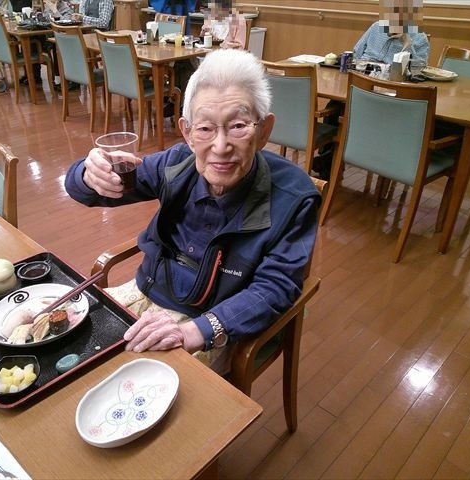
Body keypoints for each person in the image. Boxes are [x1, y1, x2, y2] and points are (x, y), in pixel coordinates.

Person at [65, 49, 321, 373]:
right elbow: (85, 191)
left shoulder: (294, 197)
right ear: (187, 132)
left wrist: (195, 331)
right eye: (205, 129)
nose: (220, 147)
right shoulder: (176, 163)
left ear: (264, 130)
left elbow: (275, 288)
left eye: (238, 125)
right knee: (69, 348)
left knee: (140, 388)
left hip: (215, 322)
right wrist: (88, 174)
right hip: (145, 291)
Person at [312, 0, 429, 180]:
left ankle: (330, 160)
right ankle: (328, 161)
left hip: (389, 94)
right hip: (362, 84)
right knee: (335, 105)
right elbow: (356, 52)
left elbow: (419, 73)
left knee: (356, 113)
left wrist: (408, 44)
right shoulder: (376, 27)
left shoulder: (419, 38)